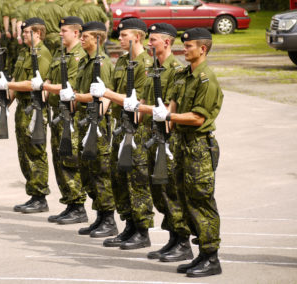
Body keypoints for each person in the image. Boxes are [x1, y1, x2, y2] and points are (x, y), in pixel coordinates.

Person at [143, 27, 223, 277]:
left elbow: (198, 118)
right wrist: (165, 114)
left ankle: (211, 256)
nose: (184, 49)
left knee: (201, 201)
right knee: (185, 200)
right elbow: (173, 102)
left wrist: (170, 115)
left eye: (189, 46)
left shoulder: (206, 79)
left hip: (199, 146)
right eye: (184, 45)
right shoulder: (182, 75)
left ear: (203, 49)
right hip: (180, 143)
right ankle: (198, 253)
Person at [123, 23, 194, 262]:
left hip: (168, 139)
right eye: (149, 40)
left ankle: (182, 241)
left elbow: (168, 109)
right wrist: (135, 110)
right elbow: (144, 102)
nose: (149, 44)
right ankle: (173, 238)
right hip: (151, 136)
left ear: (167, 42)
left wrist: (139, 107)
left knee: (171, 191)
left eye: (153, 40)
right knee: (158, 191)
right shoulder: (153, 68)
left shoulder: (175, 70)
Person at [90, 18, 154, 250]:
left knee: (137, 181)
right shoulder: (122, 61)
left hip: (136, 130)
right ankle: (129, 225)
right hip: (119, 126)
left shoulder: (146, 64)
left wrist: (107, 93)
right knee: (119, 180)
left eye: (123, 34)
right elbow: (115, 94)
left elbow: (135, 103)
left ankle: (142, 230)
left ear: (137, 37)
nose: (119, 38)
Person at [58, 21, 117, 237]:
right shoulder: (85, 62)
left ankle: (108, 218)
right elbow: (82, 92)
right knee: (87, 173)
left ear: (97, 39)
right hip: (84, 123)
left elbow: (103, 99)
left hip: (97, 126)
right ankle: (100, 216)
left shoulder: (102, 64)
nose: (81, 39)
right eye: (81, 36)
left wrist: (75, 96)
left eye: (86, 37)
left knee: (101, 173)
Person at [31, 16, 89, 225]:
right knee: (58, 157)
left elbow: (69, 87)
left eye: (64, 31)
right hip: (56, 111)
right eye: (60, 30)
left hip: (70, 114)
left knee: (69, 158)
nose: (60, 34)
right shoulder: (60, 52)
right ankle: (70, 203)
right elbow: (51, 79)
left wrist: (44, 87)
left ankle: (78, 204)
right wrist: (44, 83)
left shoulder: (78, 56)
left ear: (76, 33)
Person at [0, 18, 53, 214]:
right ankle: (33, 194)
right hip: (22, 108)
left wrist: (9, 86)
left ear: (38, 33)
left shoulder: (43, 54)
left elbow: (34, 83)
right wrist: (6, 103)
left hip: (35, 109)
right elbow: (15, 78)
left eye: (27, 32)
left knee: (36, 152)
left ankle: (40, 196)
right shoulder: (24, 53)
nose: (23, 35)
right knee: (24, 153)